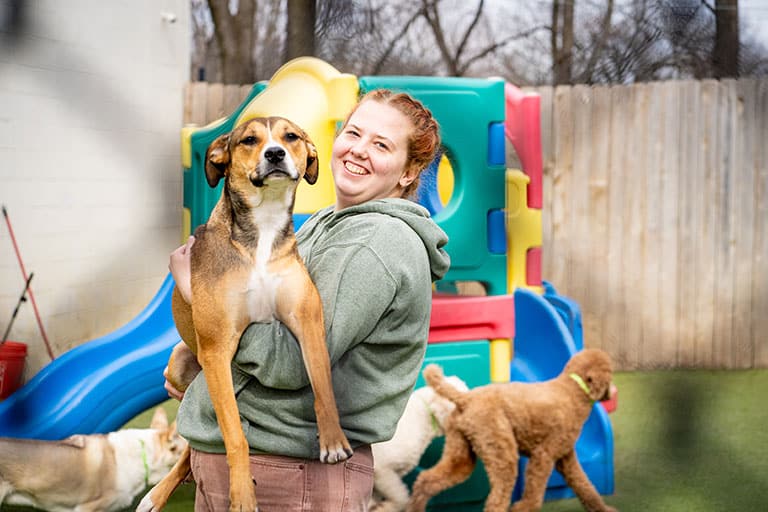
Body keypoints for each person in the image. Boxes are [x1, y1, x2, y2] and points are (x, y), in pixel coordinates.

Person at [166, 89, 450, 512]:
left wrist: (197, 295)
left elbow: (288, 362)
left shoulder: (374, 243)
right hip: (255, 467)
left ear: (409, 172)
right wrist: (200, 347)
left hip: (290, 476)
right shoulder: (319, 226)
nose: (359, 150)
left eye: (382, 145)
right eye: (354, 133)